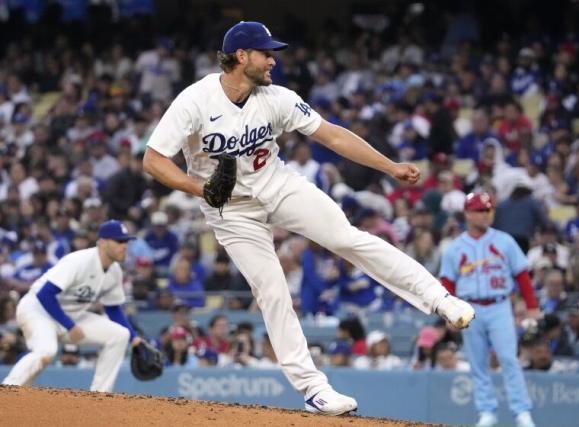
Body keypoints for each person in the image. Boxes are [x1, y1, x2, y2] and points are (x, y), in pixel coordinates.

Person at [142, 20, 474, 416]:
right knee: (272, 290)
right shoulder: (194, 101)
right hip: (229, 208)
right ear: (241, 56)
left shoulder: (277, 97)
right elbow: (153, 159)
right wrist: (202, 190)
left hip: (278, 184)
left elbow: (332, 136)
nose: (273, 61)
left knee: (346, 238)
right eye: (266, 53)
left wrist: (389, 166)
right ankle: (314, 389)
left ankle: (439, 299)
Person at [2, 220, 143, 392]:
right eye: (120, 241)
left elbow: (113, 309)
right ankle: (8, 390)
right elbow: (45, 294)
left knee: (121, 335)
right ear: (103, 242)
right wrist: (70, 325)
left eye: (126, 241)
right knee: (47, 351)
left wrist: (134, 338)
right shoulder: (79, 261)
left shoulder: (114, 272)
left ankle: (99, 397)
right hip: (38, 310)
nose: (125, 246)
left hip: (70, 315)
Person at [439, 192, 539, 427]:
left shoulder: (504, 241)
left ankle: (522, 412)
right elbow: (448, 284)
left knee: (508, 359)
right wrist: (447, 312)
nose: (486, 215)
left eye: (489, 210)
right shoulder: (455, 248)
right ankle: (487, 412)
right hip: (468, 309)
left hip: (499, 305)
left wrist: (532, 306)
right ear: (467, 213)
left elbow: (522, 276)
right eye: (480, 210)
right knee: (477, 362)